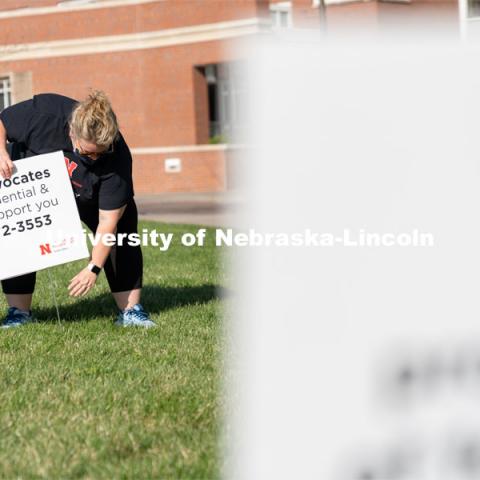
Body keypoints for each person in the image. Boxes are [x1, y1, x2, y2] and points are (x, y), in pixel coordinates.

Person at [0, 90, 156, 328]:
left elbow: (107, 223)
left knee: (123, 233)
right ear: (71, 132)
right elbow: (3, 121)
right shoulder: (45, 113)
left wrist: (93, 268)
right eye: (87, 152)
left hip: (89, 196)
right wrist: (1, 152)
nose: (94, 158)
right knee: (19, 232)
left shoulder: (117, 157)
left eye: (100, 152)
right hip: (37, 188)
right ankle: (19, 313)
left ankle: (131, 311)